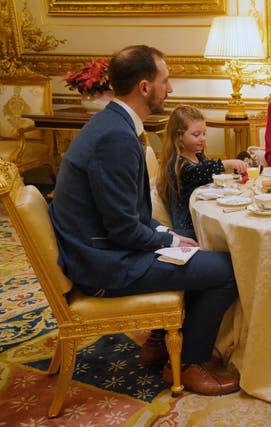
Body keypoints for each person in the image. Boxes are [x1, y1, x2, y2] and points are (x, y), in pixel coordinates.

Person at [49, 45, 241, 396]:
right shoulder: (115, 137)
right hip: (103, 264)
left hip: (101, 248)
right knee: (226, 270)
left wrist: (169, 234)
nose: (170, 89)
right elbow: (123, 228)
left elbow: (130, 216)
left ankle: (164, 342)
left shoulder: (112, 124)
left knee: (199, 247)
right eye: (165, 81)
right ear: (144, 87)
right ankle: (188, 363)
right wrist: (169, 241)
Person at [156, 106, 246, 235]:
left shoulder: (197, 155)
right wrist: (227, 163)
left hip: (203, 216)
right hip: (189, 227)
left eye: (204, 133)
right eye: (196, 134)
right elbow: (198, 171)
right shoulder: (178, 164)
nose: (202, 138)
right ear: (179, 136)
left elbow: (208, 176)